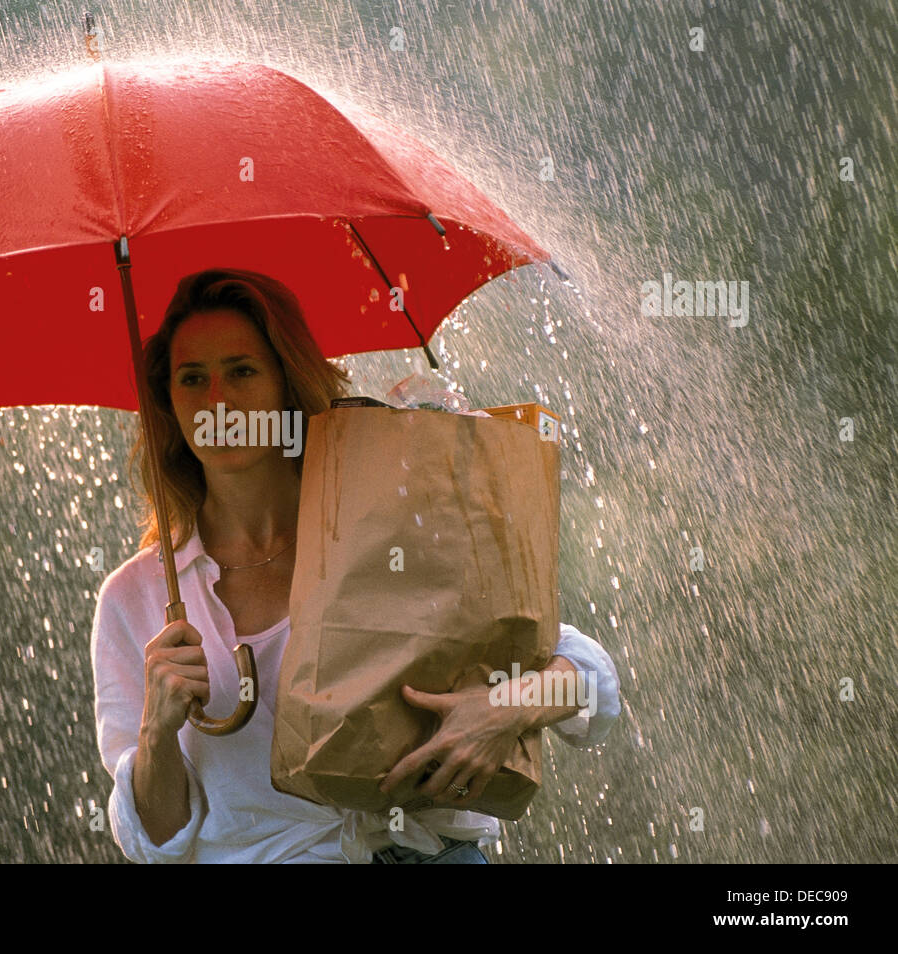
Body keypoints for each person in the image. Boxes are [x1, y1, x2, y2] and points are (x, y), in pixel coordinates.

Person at [90, 268, 620, 863]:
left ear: (286, 384)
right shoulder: (133, 599)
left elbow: (588, 676)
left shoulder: (376, 523)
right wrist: (156, 732)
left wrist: (504, 708)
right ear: (168, 402)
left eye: (242, 371)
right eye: (192, 378)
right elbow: (155, 843)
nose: (218, 401)